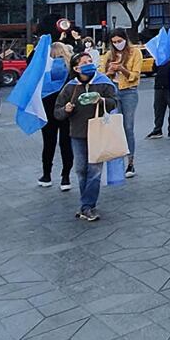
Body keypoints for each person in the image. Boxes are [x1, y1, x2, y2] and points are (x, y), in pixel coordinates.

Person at [54, 51, 118, 221]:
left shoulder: (103, 82)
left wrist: (101, 100)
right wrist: (66, 110)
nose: (89, 63)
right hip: (77, 133)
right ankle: (87, 205)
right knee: (81, 170)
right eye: (84, 62)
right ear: (76, 68)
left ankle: (88, 206)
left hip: (98, 131)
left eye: (90, 60)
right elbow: (57, 112)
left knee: (95, 171)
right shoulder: (70, 87)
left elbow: (114, 102)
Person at [100, 30, 142, 178]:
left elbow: (135, 76)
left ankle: (130, 162)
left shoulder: (135, 53)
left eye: (119, 41)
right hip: (113, 91)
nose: (117, 44)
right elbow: (101, 75)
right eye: (114, 42)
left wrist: (122, 69)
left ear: (125, 39)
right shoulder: (108, 55)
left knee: (128, 127)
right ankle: (116, 162)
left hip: (129, 91)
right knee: (114, 126)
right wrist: (109, 72)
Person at [39, 42, 74, 190]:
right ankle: (65, 178)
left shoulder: (44, 68)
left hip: (47, 110)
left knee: (48, 144)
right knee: (66, 144)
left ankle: (46, 176)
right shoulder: (71, 68)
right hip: (67, 110)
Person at [149, 38, 170, 140]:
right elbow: (153, 69)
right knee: (158, 109)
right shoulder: (159, 56)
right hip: (159, 85)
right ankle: (157, 129)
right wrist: (157, 60)